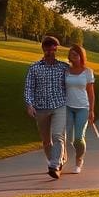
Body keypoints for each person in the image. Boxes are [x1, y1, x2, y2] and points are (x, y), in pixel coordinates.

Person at [24, 35, 68, 179]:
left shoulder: (64, 67)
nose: (49, 49)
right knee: (46, 140)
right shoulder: (34, 68)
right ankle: (57, 160)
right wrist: (29, 104)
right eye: (46, 46)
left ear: (56, 48)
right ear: (43, 48)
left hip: (60, 105)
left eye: (52, 46)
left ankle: (54, 166)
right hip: (41, 108)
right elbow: (29, 87)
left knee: (58, 136)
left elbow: (73, 84)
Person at [64, 44, 95, 174]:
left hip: (83, 108)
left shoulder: (87, 72)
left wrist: (92, 111)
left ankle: (79, 160)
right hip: (67, 107)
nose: (74, 57)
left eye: (76, 54)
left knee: (78, 137)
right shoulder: (66, 71)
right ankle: (62, 160)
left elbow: (91, 93)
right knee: (67, 138)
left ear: (81, 56)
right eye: (71, 54)